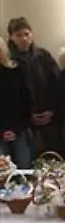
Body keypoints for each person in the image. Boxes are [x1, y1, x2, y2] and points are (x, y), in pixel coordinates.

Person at [7, 17, 63, 155]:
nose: (24, 39)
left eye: (26, 34)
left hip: (49, 115)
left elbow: (56, 83)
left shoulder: (43, 55)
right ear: (11, 37)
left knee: (55, 153)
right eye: (19, 35)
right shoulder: (9, 60)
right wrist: (28, 115)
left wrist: (52, 110)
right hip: (24, 122)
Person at [0, 39, 33, 168]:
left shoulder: (16, 71)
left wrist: (15, 129)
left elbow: (26, 100)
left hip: (19, 129)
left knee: (24, 169)